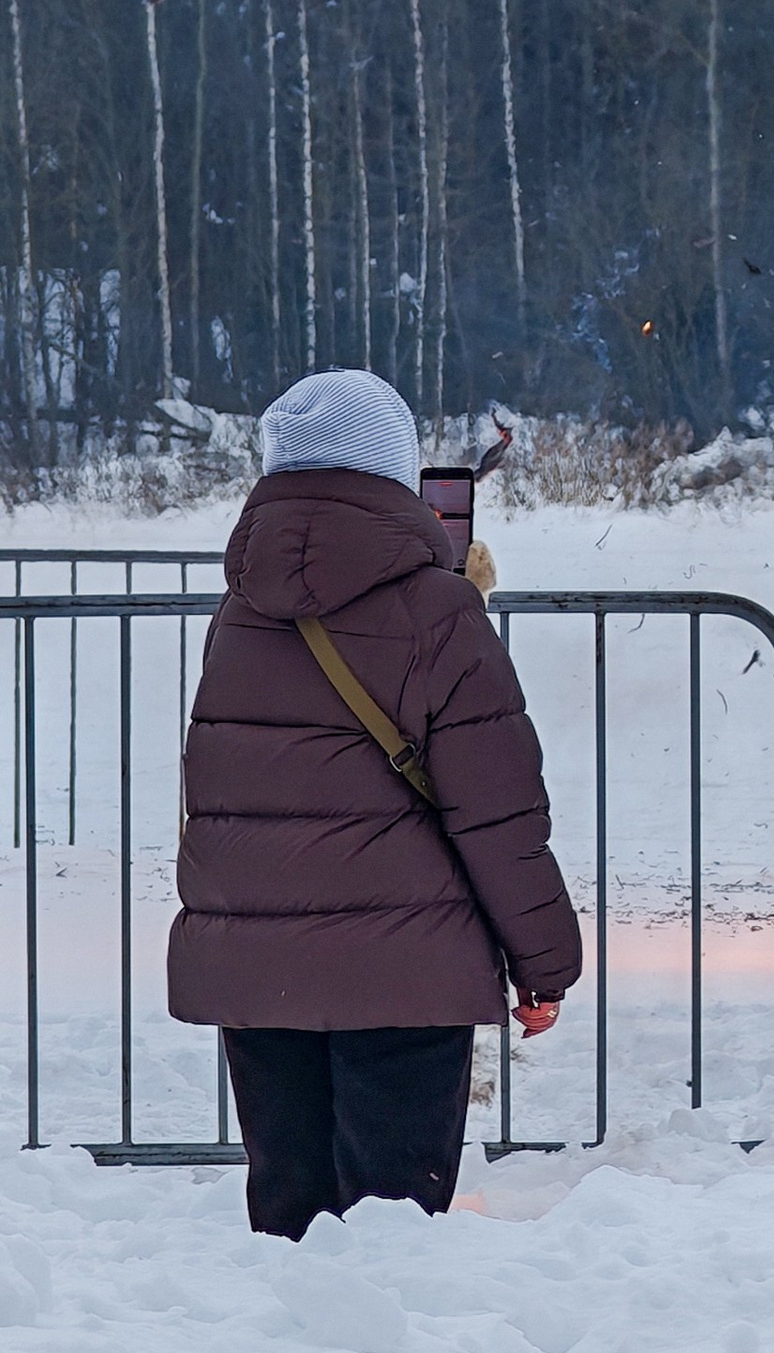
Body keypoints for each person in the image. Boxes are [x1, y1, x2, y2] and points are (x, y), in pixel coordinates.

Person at [168, 369, 582, 1241]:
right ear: (396, 474)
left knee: (288, 1222)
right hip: (408, 972)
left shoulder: (238, 613)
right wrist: (544, 961)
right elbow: (496, 806)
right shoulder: (439, 611)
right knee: (394, 1236)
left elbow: (220, 796)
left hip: (260, 975)